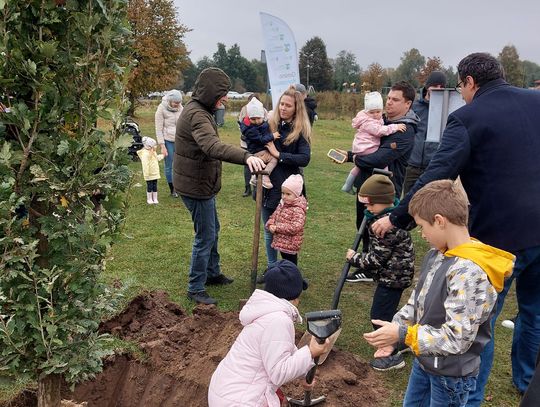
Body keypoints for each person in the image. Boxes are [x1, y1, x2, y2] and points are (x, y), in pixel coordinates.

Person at [371, 53, 540, 404]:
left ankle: (469, 396)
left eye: (461, 88)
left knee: (479, 322)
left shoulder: (467, 117)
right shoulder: (536, 101)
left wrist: (399, 216)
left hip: (498, 240)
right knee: (535, 312)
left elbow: (438, 172)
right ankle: (526, 381)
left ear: (469, 83)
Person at [365, 180, 514, 406]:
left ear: (439, 221)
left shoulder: (469, 272)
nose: (422, 235)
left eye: (422, 227)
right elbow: (417, 302)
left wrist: (404, 335)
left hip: (451, 376)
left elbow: (457, 338)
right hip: (425, 361)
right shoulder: (438, 254)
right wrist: (394, 334)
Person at [173, 67, 265, 305]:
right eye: (222, 93)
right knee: (205, 235)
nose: (225, 98)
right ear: (211, 92)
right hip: (195, 186)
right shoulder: (197, 115)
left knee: (213, 229)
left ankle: (212, 273)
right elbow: (212, 146)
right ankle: (195, 287)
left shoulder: (201, 110)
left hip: (200, 183)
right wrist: (246, 157)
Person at [208, 259, 331, 407]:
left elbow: (283, 350)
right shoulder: (278, 321)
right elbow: (279, 373)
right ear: (295, 297)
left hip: (224, 392)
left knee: (277, 396)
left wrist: (305, 373)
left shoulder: (266, 312)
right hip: (239, 402)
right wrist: (310, 352)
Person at [344, 174, 414, 371]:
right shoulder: (393, 217)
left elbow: (376, 260)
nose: (367, 209)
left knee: (379, 315)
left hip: (392, 278)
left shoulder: (384, 227)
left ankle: (391, 353)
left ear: (385, 202)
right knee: (389, 313)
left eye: (371, 205)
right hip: (397, 275)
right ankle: (402, 340)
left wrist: (354, 258)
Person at [261, 86, 312, 267]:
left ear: (296, 109)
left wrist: (278, 154)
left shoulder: (300, 131)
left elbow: (304, 158)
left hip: (287, 190)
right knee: (269, 230)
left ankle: (289, 273)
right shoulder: (270, 126)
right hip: (266, 185)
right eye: (281, 104)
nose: (283, 108)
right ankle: (272, 268)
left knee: (285, 236)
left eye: (288, 105)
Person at [341, 92, 406, 194]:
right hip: (368, 147)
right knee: (383, 165)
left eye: (378, 111)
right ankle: (384, 185)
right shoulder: (368, 122)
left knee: (358, 167)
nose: (375, 115)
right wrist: (395, 127)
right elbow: (379, 131)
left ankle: (347, 185)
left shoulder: (367, 119)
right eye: (372, 112)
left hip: (362, 147)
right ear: (367, 112)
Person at [402, 71, 447, 196]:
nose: (438, 90)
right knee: (408, 202)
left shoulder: (445, 110)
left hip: (433, 167)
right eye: (435, 86)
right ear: (428, 86)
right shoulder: (414, 107)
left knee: (430, 204)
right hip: (412, 166)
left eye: (442, 87)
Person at [265, 174, 307, 265]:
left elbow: (295, 227)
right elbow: (274, 216)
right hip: (282, 241)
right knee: (285, 262)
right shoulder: (282, 204)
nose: (284, 196)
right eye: (283, 193)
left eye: (288, 194)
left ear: (297, 194)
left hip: (291, 244)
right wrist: (270, 224)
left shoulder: (298, 209)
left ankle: (295, 278)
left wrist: (277, 228)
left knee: (291, 264)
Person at [239, 97, 279, 189]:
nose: (256, 121)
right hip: (257, 151)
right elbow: (260, 139)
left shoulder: (260, 124)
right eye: (253, 119)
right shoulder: (250, 129)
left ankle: (254, 177)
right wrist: (272, 136)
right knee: (274, 159)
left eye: (258, 118)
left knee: (260, 164)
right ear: (249, 118)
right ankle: (265, 176)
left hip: (260, 150)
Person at [155, 89, 183, 197]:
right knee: (169, 165)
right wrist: (162, 146)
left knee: (180, 164)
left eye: (179, 103)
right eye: (175, 103)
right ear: (170, 101)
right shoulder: (161, 109)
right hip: (167, 141)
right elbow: (158, 129)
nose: (177, 105)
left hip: (180, 140)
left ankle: (181, 187)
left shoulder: (181, 108)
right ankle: (173, 189)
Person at [238, 93, 267, 197]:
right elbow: (240, 123)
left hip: (259, 145)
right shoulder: (244, 109)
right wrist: (246, 134)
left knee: (258, 164)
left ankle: (257, 188)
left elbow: (266, 123)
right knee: (247, 165)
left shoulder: (263, 111)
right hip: (246, 143)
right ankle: (247, 188)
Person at [137, 136, 164, 204]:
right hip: (149, 174)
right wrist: (146, 174)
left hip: (155, 172)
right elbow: (145, 165)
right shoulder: (145, 154)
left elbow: (156, 158)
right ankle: (149, 199)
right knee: (150, 186)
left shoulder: (153, 152)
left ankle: (155, 198)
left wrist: (163, 156)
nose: (155, 147)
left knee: (155, 185)